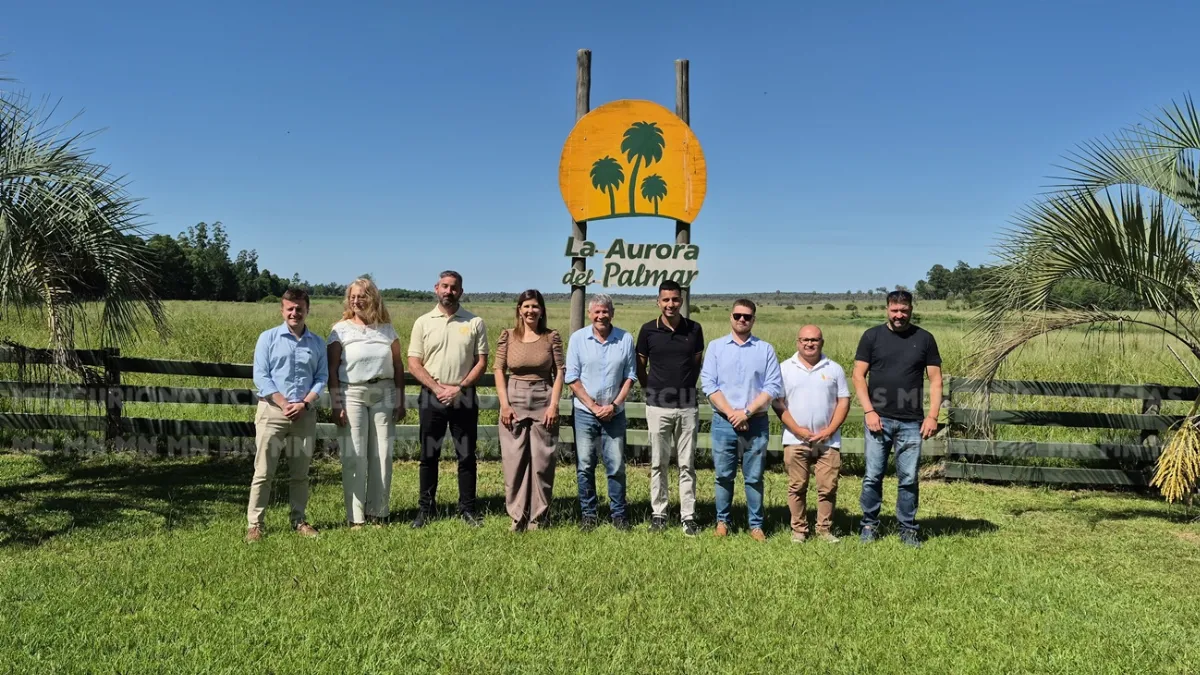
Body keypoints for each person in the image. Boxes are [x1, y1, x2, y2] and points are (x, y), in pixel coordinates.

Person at [852, 289, 943, 548]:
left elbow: (936, 380)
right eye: (895, 310)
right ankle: (869, 525)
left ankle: (908, 528)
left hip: (911, 422)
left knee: (909, 478)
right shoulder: (872, 336)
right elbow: (858, 376)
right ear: (887, 310)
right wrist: (869, 410)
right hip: (877, 420)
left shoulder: (925, 339)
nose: (899, 315)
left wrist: (932, 416)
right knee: (872, 476)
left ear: (911, 309)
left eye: (904, 310)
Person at [245, 288, 328, 542]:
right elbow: (261, 375)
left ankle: (299, 520)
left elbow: (321, 377)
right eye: (290, 308)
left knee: (300, 472)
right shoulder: (268, 338)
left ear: (307, 309)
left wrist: (303, 403)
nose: (295, 312)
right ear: (282, 310)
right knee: (263, 471)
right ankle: (255, 525)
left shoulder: (317, 343)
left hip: (304, 414)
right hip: (272, 411)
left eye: (299, 308)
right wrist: (283, 403)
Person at [407, 270, 489, 528]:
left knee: (466, 456)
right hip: (432, 397)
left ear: (461, 292)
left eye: (454, 287)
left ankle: (467, 509)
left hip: (463, 397)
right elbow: (413, 362)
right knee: (429, 455)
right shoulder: (423, 322)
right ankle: (426, 509)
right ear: (436, 288)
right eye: (444, 286)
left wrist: (459, 387)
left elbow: (482, 362)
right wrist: (436, 387)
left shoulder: (475, 322)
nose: (449, 291)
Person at [700, 299, 782, 541]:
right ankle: (722, 521)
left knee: (754, 476)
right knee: (723, 475)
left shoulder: (765, 349)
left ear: (754, 319)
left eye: (747, 316)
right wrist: (732, 414)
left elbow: (772, 386)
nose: (742, 320)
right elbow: (709, 384)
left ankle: (755, 525)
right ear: (731, 317)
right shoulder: (716, 348)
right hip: (723, 422)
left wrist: (745, 412)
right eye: (738, 316)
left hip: (755, 422)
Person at [328, 278, 405, 529]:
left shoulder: (387, 330)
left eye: (361, 296)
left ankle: (379, 512)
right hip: (352, 393)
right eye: (352, 296)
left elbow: (398, 365)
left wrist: (400, 398)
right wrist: (336, 404)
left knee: (382, 454)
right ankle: (356, 517)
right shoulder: (340, 330)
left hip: (384, 392)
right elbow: (332, 370)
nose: (356, 300)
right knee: (355, 455)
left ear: (372, 298)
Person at [636, 279, 704, 536]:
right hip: (658, 406)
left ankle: (688, 516)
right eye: (666, 300)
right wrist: (650, 390)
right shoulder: (647, 331)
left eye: (675, 299)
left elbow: (696, 363)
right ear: (658, 301)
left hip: (687, 406)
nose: (671, 304)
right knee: (658, 462)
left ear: (681, 301)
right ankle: (659, 513)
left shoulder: (694, 329)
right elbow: (640, 365)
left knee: (687, 464)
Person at [565, 293, 637, 532]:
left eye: (605, 311)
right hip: (585, 412)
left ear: (612, 313)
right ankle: (589, 514)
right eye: (596, 311)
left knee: (615, 465)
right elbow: (572, 378)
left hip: (614, 413)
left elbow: (630, 376)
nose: (601, 316)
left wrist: (613, 406)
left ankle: (618, 514)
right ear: (589, 314)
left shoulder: (625, 339)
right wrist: (594, 407)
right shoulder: (577, 339)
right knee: (585, 465)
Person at [494, 289, 565, 532]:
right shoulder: (507, 336)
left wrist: (554, 405)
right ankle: (517, 517)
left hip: (544, 399)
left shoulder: (551, 337)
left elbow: (560, 372)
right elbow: (498, 370)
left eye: (535, 306)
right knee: (514, 461)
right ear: (519, 309)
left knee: (542, 462)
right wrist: (504, 404)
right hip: (513, 400)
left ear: (542, 310)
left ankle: (538, 518)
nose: (530, 311)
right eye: (526, 306)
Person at [772, 325, 850, 544]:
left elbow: (843, 400)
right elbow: (777, 402)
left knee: (828, 486)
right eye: (805, 340)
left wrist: (829, 430)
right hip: (795, 439)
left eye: (814, 340)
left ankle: (824, 529)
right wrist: (798, 430)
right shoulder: (785, 368)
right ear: (797, 342)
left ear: (822, 342)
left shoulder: (834, 368)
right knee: (797, 486)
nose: (809, 344)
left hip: (828, 440)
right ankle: (799, 529)